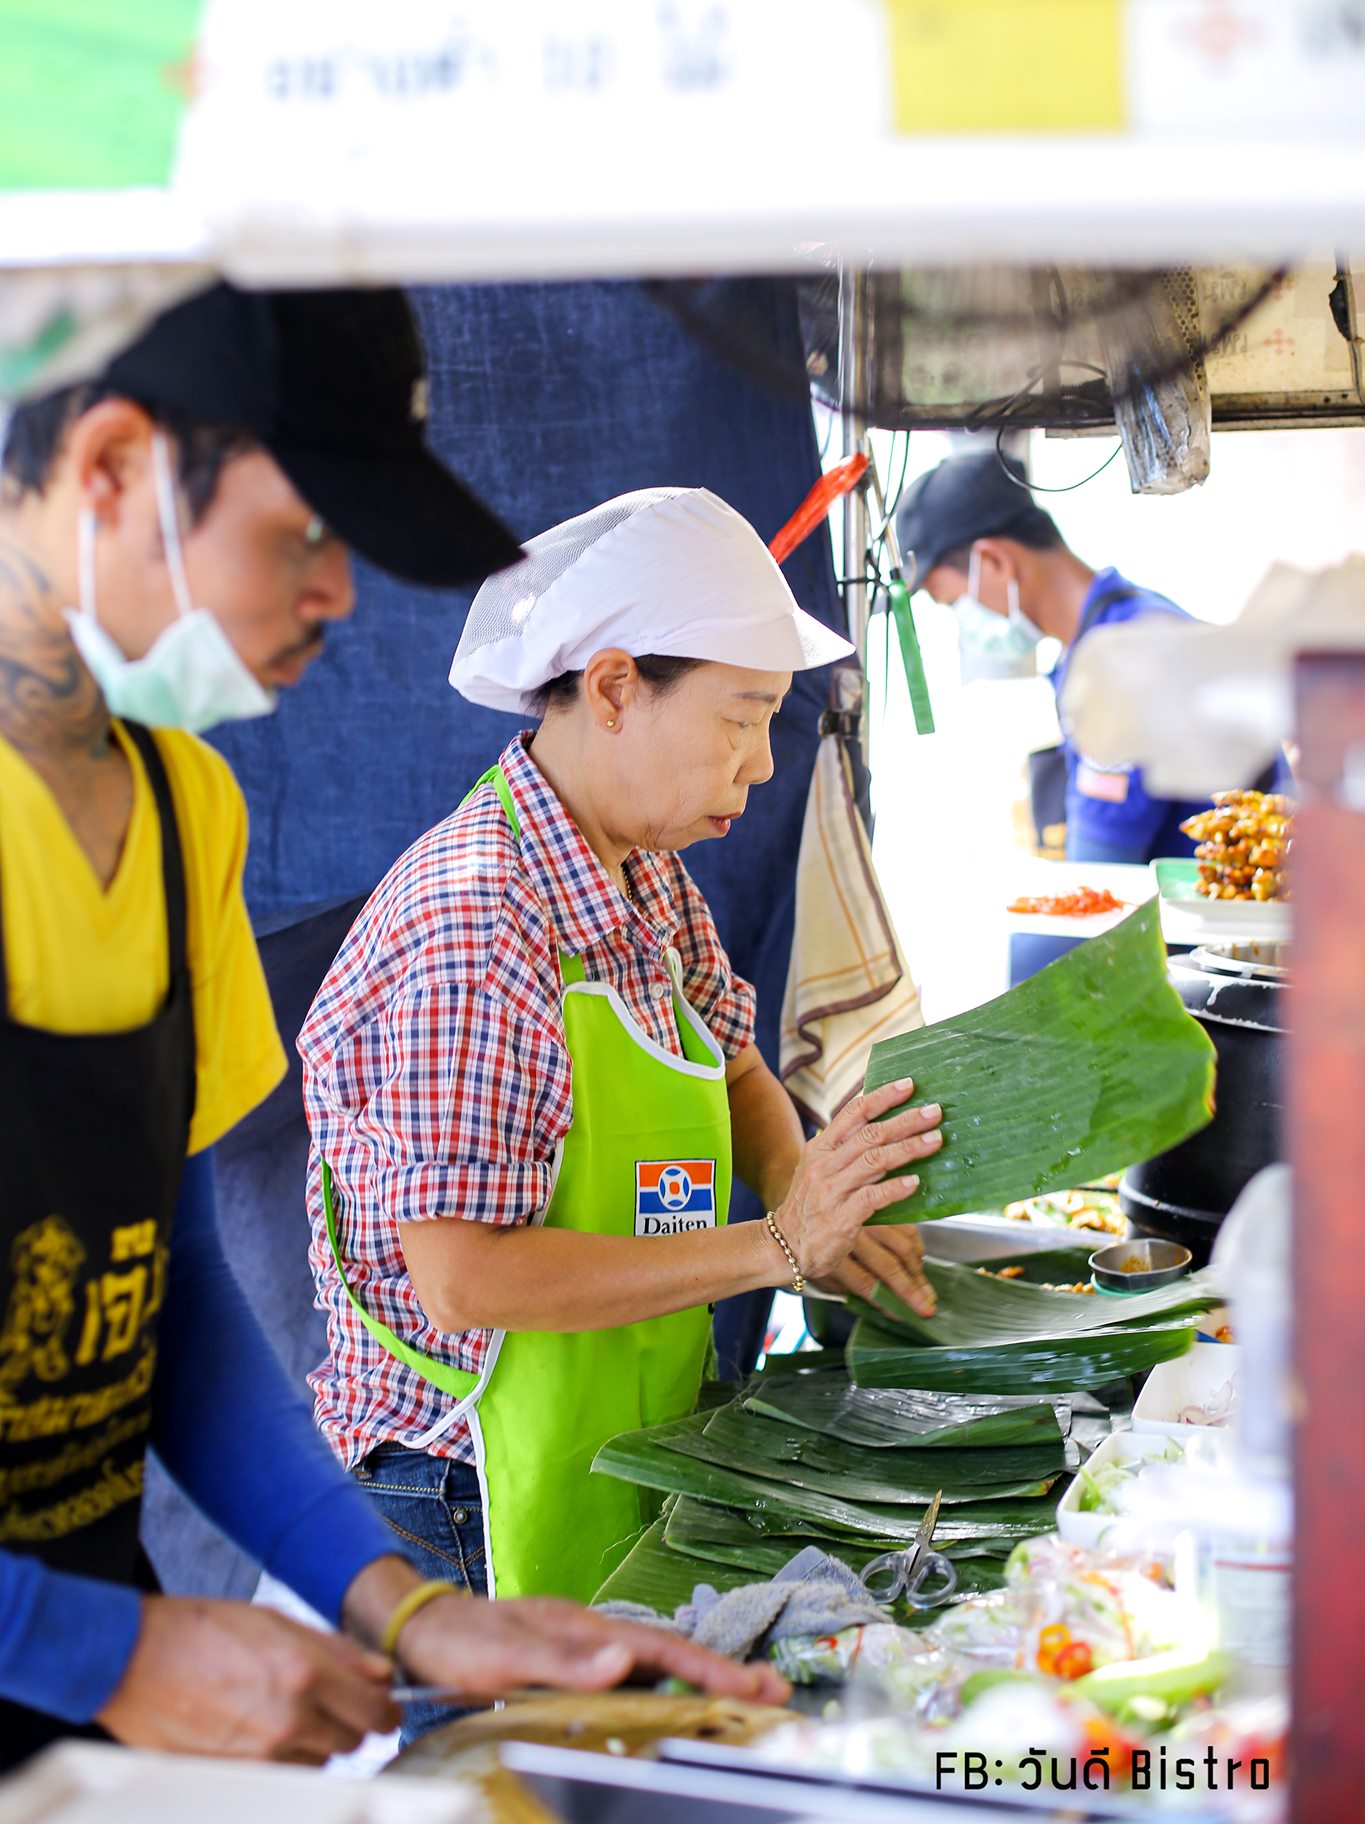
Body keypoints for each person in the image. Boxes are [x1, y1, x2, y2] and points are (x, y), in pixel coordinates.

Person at [0, 288, 782, 1769]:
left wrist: (406, 1607)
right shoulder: (470, 910)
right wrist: (104, 1648)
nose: (340, 595)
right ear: (108, 468)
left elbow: (169, 1305)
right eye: (304, 535)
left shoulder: (179, 820)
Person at [303, 486, 945, 1734]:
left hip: (618, 1424)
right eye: (742, 720)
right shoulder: (479, 922)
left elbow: (739, 1063)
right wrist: (772, 1247)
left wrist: (822, 1199)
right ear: (612, 688)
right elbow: (467, 1279)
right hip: (461, 1490)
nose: (763, 763)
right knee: (508, 1791)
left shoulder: (642, 872)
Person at [897, 448, 1214, 864]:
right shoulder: (1126, 625)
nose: (964, 625)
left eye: (954, 603)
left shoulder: (1117, 662)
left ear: (993, 562)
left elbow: (1097, 885)